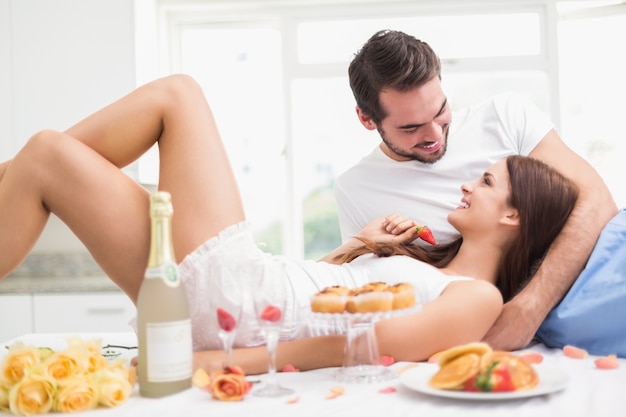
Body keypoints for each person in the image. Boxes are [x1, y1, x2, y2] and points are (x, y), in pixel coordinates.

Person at [0, 75, 578, 375]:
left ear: (512, 215)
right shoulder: (437, 266)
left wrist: (209, 363)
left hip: (242, 303)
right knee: (47, 157)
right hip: (241, 301)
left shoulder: (476, 298)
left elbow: (351, 347)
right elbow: (318, 304)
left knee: (178, 96)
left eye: (484, 183)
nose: (464, 184)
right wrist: (356, 248)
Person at [335, 29, 619, 351]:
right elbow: (364, 292)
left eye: (440, 111)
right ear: (367, 119)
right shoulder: (356, 189)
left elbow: (595, 200)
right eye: (411, 128)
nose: (434, 136)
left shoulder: (504, 117)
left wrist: (527, 311)